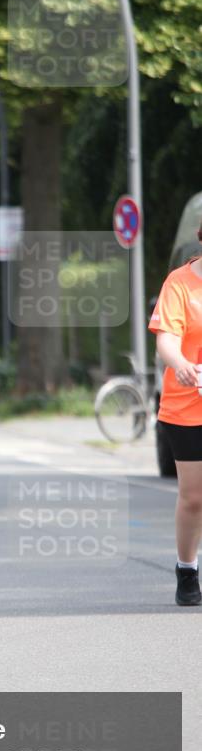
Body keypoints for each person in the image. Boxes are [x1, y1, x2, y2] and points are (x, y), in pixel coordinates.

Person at [148, 221, 202, 606]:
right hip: (188, 404)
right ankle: (187, 570)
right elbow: (167, 338)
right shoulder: (180, 283)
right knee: (194, 496)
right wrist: (181, 363)